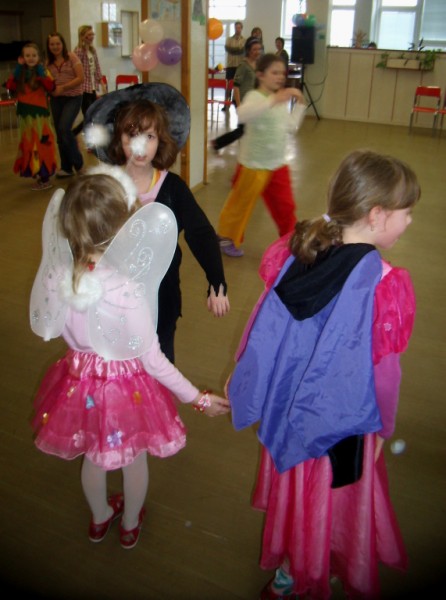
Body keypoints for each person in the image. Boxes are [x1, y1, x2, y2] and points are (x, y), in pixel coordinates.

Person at [227, 149, 420, 599]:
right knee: (330, 499)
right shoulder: (382, 283)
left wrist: (248, 382)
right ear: (376, 215)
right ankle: (315, 567)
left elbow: (262, 327)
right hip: (342, 424)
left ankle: (289, 571)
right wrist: (384, 428)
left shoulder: (300, 253)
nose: (409, 221)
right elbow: (385, 374)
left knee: (300, 492)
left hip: (289, 413)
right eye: (406, 212)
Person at [30, 166, 230, 551]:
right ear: (120, 230)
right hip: (126, 391)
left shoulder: (58, 277)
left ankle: (100, 517)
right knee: (133, 459)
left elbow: (52, 327)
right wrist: (198, 399)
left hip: (80, 383)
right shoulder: (126, 288)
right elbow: (153, 361)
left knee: (94, 457)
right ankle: (130, 524)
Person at [83, 83, 230, 363]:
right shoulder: (106, 188)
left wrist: (217, 280)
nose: (140, 146)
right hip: (114, 299)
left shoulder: (172, 188)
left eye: (149, 136)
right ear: (118, 139)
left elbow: (200, 232)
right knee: (119, 365)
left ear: (160, 140)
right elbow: (86, 237)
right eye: (131, 135)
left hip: (162, 299)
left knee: (160, 360)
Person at [217, 53, 305, 257]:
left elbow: (290, 127)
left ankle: (291, 242)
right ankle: (226, 237)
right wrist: (273, 100)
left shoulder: (280, 100)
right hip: (252, 165)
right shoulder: (255, 96)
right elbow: (242, 114)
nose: (280, 77)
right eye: (275, 72)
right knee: (240, 206)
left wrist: (300, 105)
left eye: (282, 73)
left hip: (277, 165)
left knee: (286, 207)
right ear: (260, 75)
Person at [5, 42, 57, 190]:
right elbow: (10, 86)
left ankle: (45, 176)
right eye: (27, 55)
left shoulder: (43, 71)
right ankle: (37, 172)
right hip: (25, 116)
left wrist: (41, 73)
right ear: (22, 58)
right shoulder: (20, 73)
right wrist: (18, 68)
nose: (31, 58)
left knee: (42, 143)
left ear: (39, 57)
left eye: (34, 55)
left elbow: (51, 86)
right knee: (29, 145)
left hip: (40, 115)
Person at [211, 36, 263, 153]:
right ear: (248, 50)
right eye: (254, 49)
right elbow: (236, 86)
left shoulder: (257, 65)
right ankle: (217, 143)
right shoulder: (243, 65)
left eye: (259, 49)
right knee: (243, 129)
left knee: (246, 128)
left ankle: (218, 143)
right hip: (242, 101)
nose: (257, 52)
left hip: (252, 102)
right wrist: (239, 105)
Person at [46, 32, 85, 178]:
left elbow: (80, 78)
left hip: (73, 98)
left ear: (63, 44)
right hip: (56, 99)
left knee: (64, 128)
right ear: (48, 46)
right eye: (52, 44)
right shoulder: (47, 63)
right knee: (60, 134)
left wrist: (63, 87)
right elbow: (46, 81)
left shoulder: (72, 57)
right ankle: (66, 168)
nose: (55, 47)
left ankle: (78, 164)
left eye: (58, 43)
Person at [72, 25, 105, 136]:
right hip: (83, 88)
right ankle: (77, 133)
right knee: (89, 114)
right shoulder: (78, 51)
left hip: (92, 87)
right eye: (88, 35)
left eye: (92, 34)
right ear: (82, 37)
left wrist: (101, 82)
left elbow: (97, 67)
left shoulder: (92, 50)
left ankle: (76, 133)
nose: (91, 37)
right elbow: (75, 70)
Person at [222, 21, 245, 110]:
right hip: (230, 65)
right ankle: (226, 104)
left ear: (241, 28)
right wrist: (237, 50)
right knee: (228, 86)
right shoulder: (229, 39)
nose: (237, 29)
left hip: (239, 66)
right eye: (236, 27)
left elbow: (242, 51)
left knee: (238, 86)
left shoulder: (244, 40)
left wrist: (234, 50)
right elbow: (228, 49)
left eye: (239, 27)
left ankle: (237, 103)